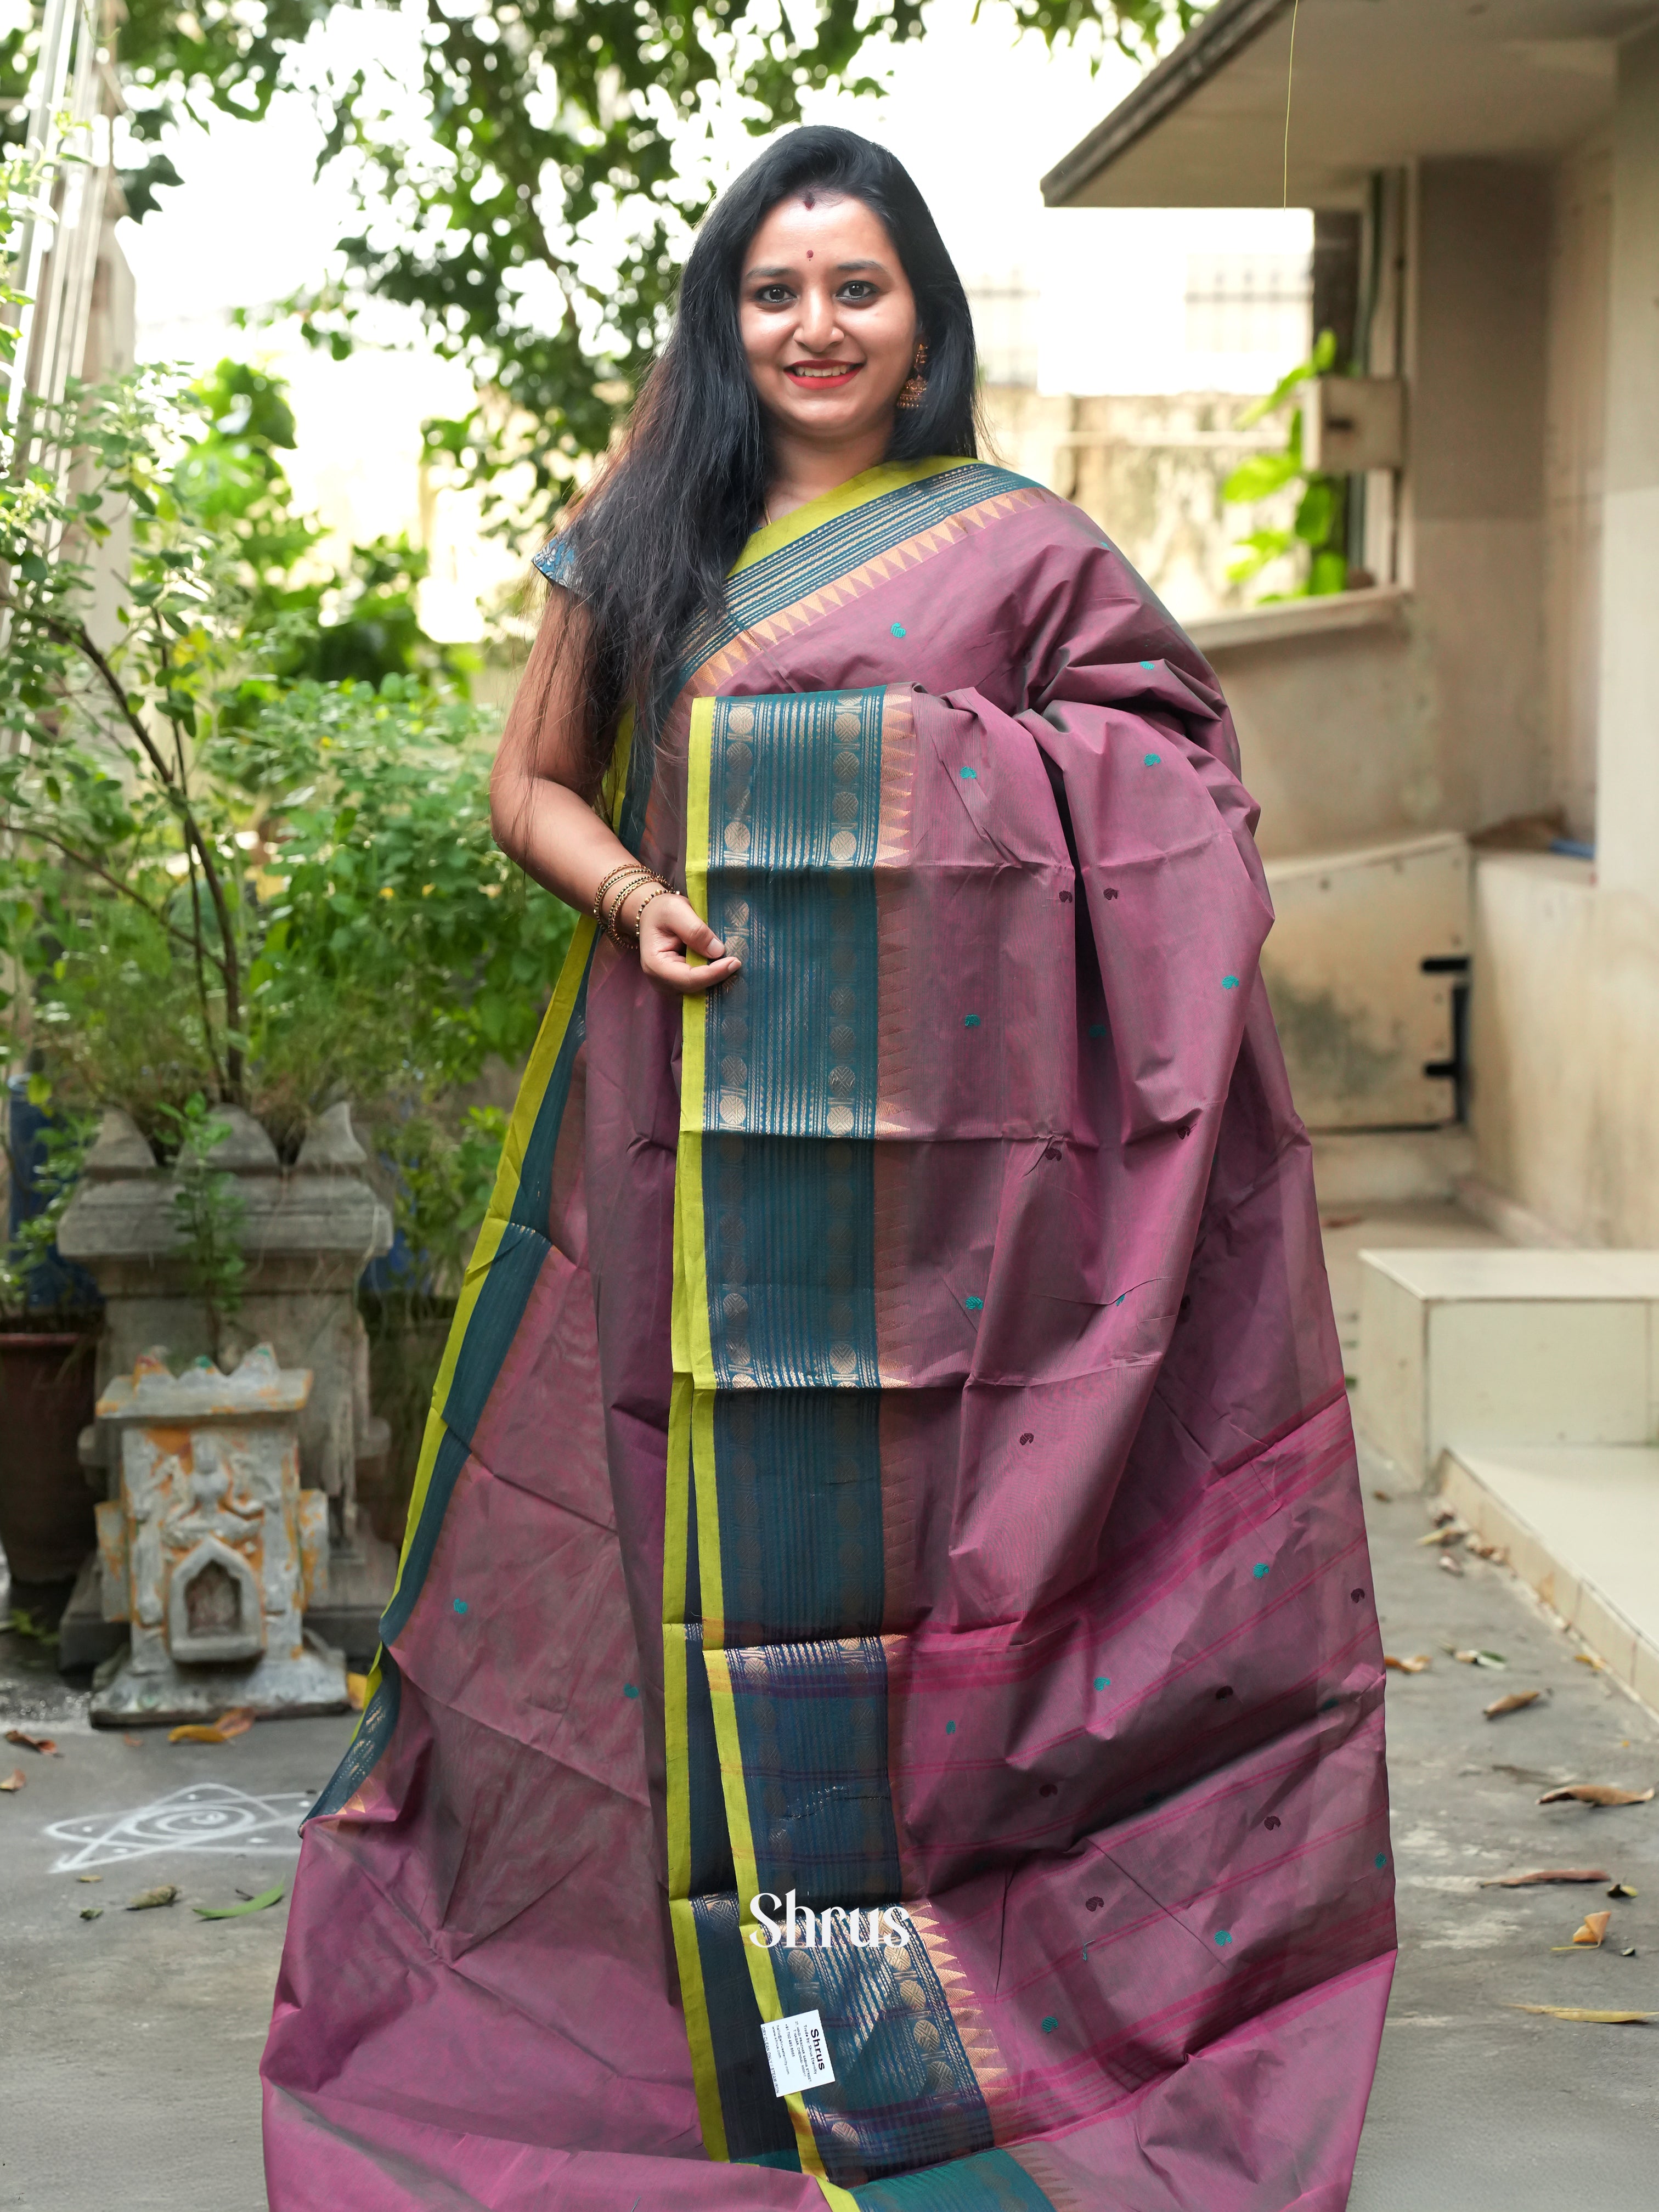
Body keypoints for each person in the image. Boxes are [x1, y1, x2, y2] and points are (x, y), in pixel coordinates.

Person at [262, 126, 1393, 2211]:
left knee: (924, 1600)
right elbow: (532, 777)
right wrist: (630, 894)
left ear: (923, 322)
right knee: (686, 1568)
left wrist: (913, 783)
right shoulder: (645, 533)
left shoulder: (1021, 551)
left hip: (959, 1227)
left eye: (856, 288)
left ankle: (927, 2006)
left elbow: (1176, 792)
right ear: (726, 317)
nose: (814, 327)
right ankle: (727, 2030)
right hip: (683, 1149)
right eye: (774, 291)